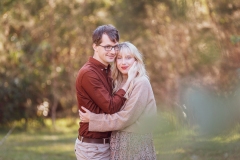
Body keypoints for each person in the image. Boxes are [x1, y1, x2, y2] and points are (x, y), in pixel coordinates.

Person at [80, 42, 157, 160]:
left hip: (135, 144)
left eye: (128, 58)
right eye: (119, 58)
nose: (123, 62)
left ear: (136, 60)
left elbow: (125, 117)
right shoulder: (118, 82)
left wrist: (94, 120)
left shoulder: (141, 82)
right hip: (118, 142)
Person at [74, 25, 137, 160]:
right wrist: (129, 80)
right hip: (93, 149)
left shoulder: (108, 70)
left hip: (107, 145)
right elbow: (111, 106)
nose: (112, 51)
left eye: (115, 47)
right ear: (95, 46)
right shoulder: (88, 73)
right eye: (107, 47)